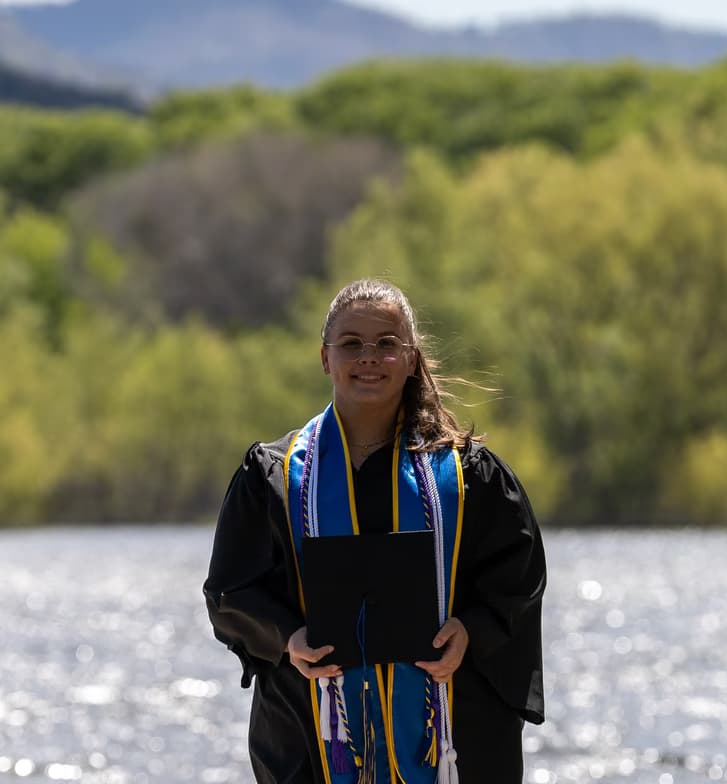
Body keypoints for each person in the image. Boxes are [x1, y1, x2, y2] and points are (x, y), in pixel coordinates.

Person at [203, 279, 546, 783]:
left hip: (448, 731)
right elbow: (231, 591)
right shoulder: (274, 477)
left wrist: (470, 629)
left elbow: (518, 578)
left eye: (388, 344)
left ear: (410, 358)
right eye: (351, 344)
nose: (370, 357)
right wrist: (287, 638)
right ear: (325, 357)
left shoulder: (468, 475)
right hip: (310, 728)